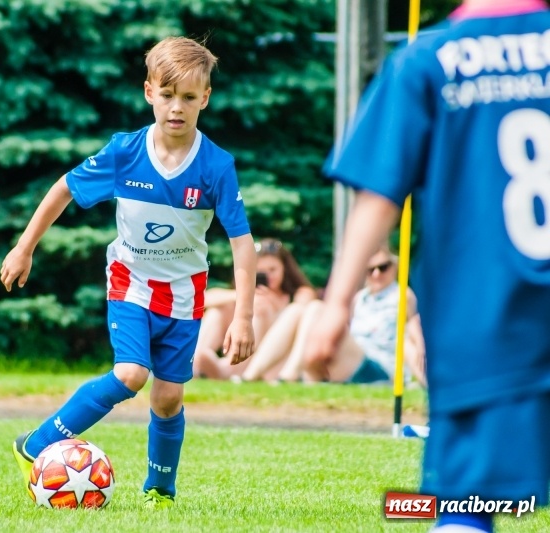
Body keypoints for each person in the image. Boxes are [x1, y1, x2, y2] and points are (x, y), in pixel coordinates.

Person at [305, 2, 550, 532]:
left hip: (484, 326)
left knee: (466, 506)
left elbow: (378, 198)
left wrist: (336, 304)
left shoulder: (426, 60)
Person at [0, 36, 257, 509]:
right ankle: (36, 444)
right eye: (167, 94)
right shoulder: (125, 152)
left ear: (205, 98)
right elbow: (64, 188)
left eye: (188, 97)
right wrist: (24, 247)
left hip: (185, 293)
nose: (176, 107)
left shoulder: (217, 166)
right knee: (132, 373)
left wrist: (243, 317)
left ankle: (160, 491)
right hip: (130, 281)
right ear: (148, 92)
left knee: (168, 398)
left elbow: (242, 244)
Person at [237, 245, 426, 386]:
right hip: (350, 359)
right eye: (370, 270)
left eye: (383, 267)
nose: (377, 274)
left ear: (394, 267)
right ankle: (250, 375)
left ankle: (289, 375)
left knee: (315, 308)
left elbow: (414, 328)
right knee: (299, 311)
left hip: (380, 368)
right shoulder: (360, 298)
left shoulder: (402, 295)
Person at [192, 238, 317, 380]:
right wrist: (243, 297)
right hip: (247, 336)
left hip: (274, 362)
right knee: (219, 310)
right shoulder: (245, 295)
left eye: (272, 270)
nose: (268, 276)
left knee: (260, 310)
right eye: (260, 271)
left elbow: (305, 315)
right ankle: (196, 361)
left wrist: (273, 304)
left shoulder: (299, 293)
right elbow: (205, 299)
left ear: (284, 269)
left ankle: (230, 368)